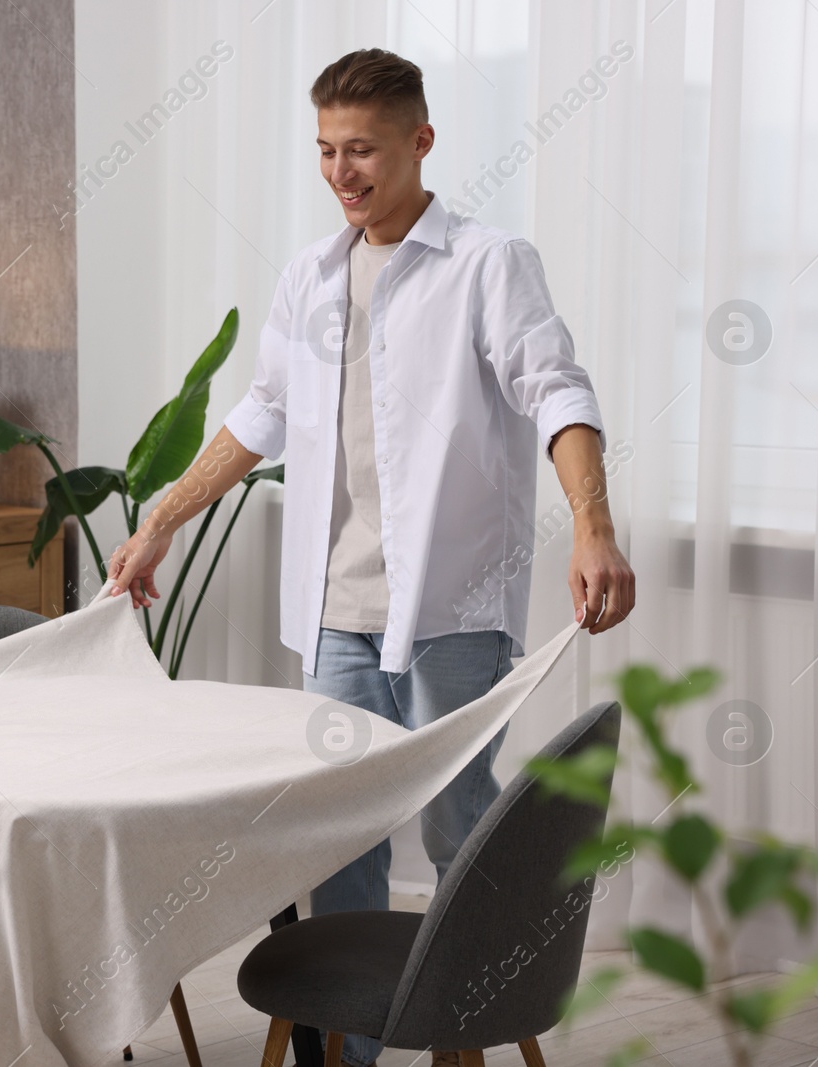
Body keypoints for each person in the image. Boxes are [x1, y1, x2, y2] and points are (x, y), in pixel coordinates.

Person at [106, 48, 634, 1066]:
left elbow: (556, 391)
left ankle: (465, 1023)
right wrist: (163, 516)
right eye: (325, 152)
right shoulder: (309, 274)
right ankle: (340, 1051)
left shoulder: (487, 262)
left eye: (363, 151)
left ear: (419, 142)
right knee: (336, 834)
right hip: (336, 608)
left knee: (455, 826)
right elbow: (258, 412)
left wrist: (593, 524)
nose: (342, 173)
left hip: (451, 602)